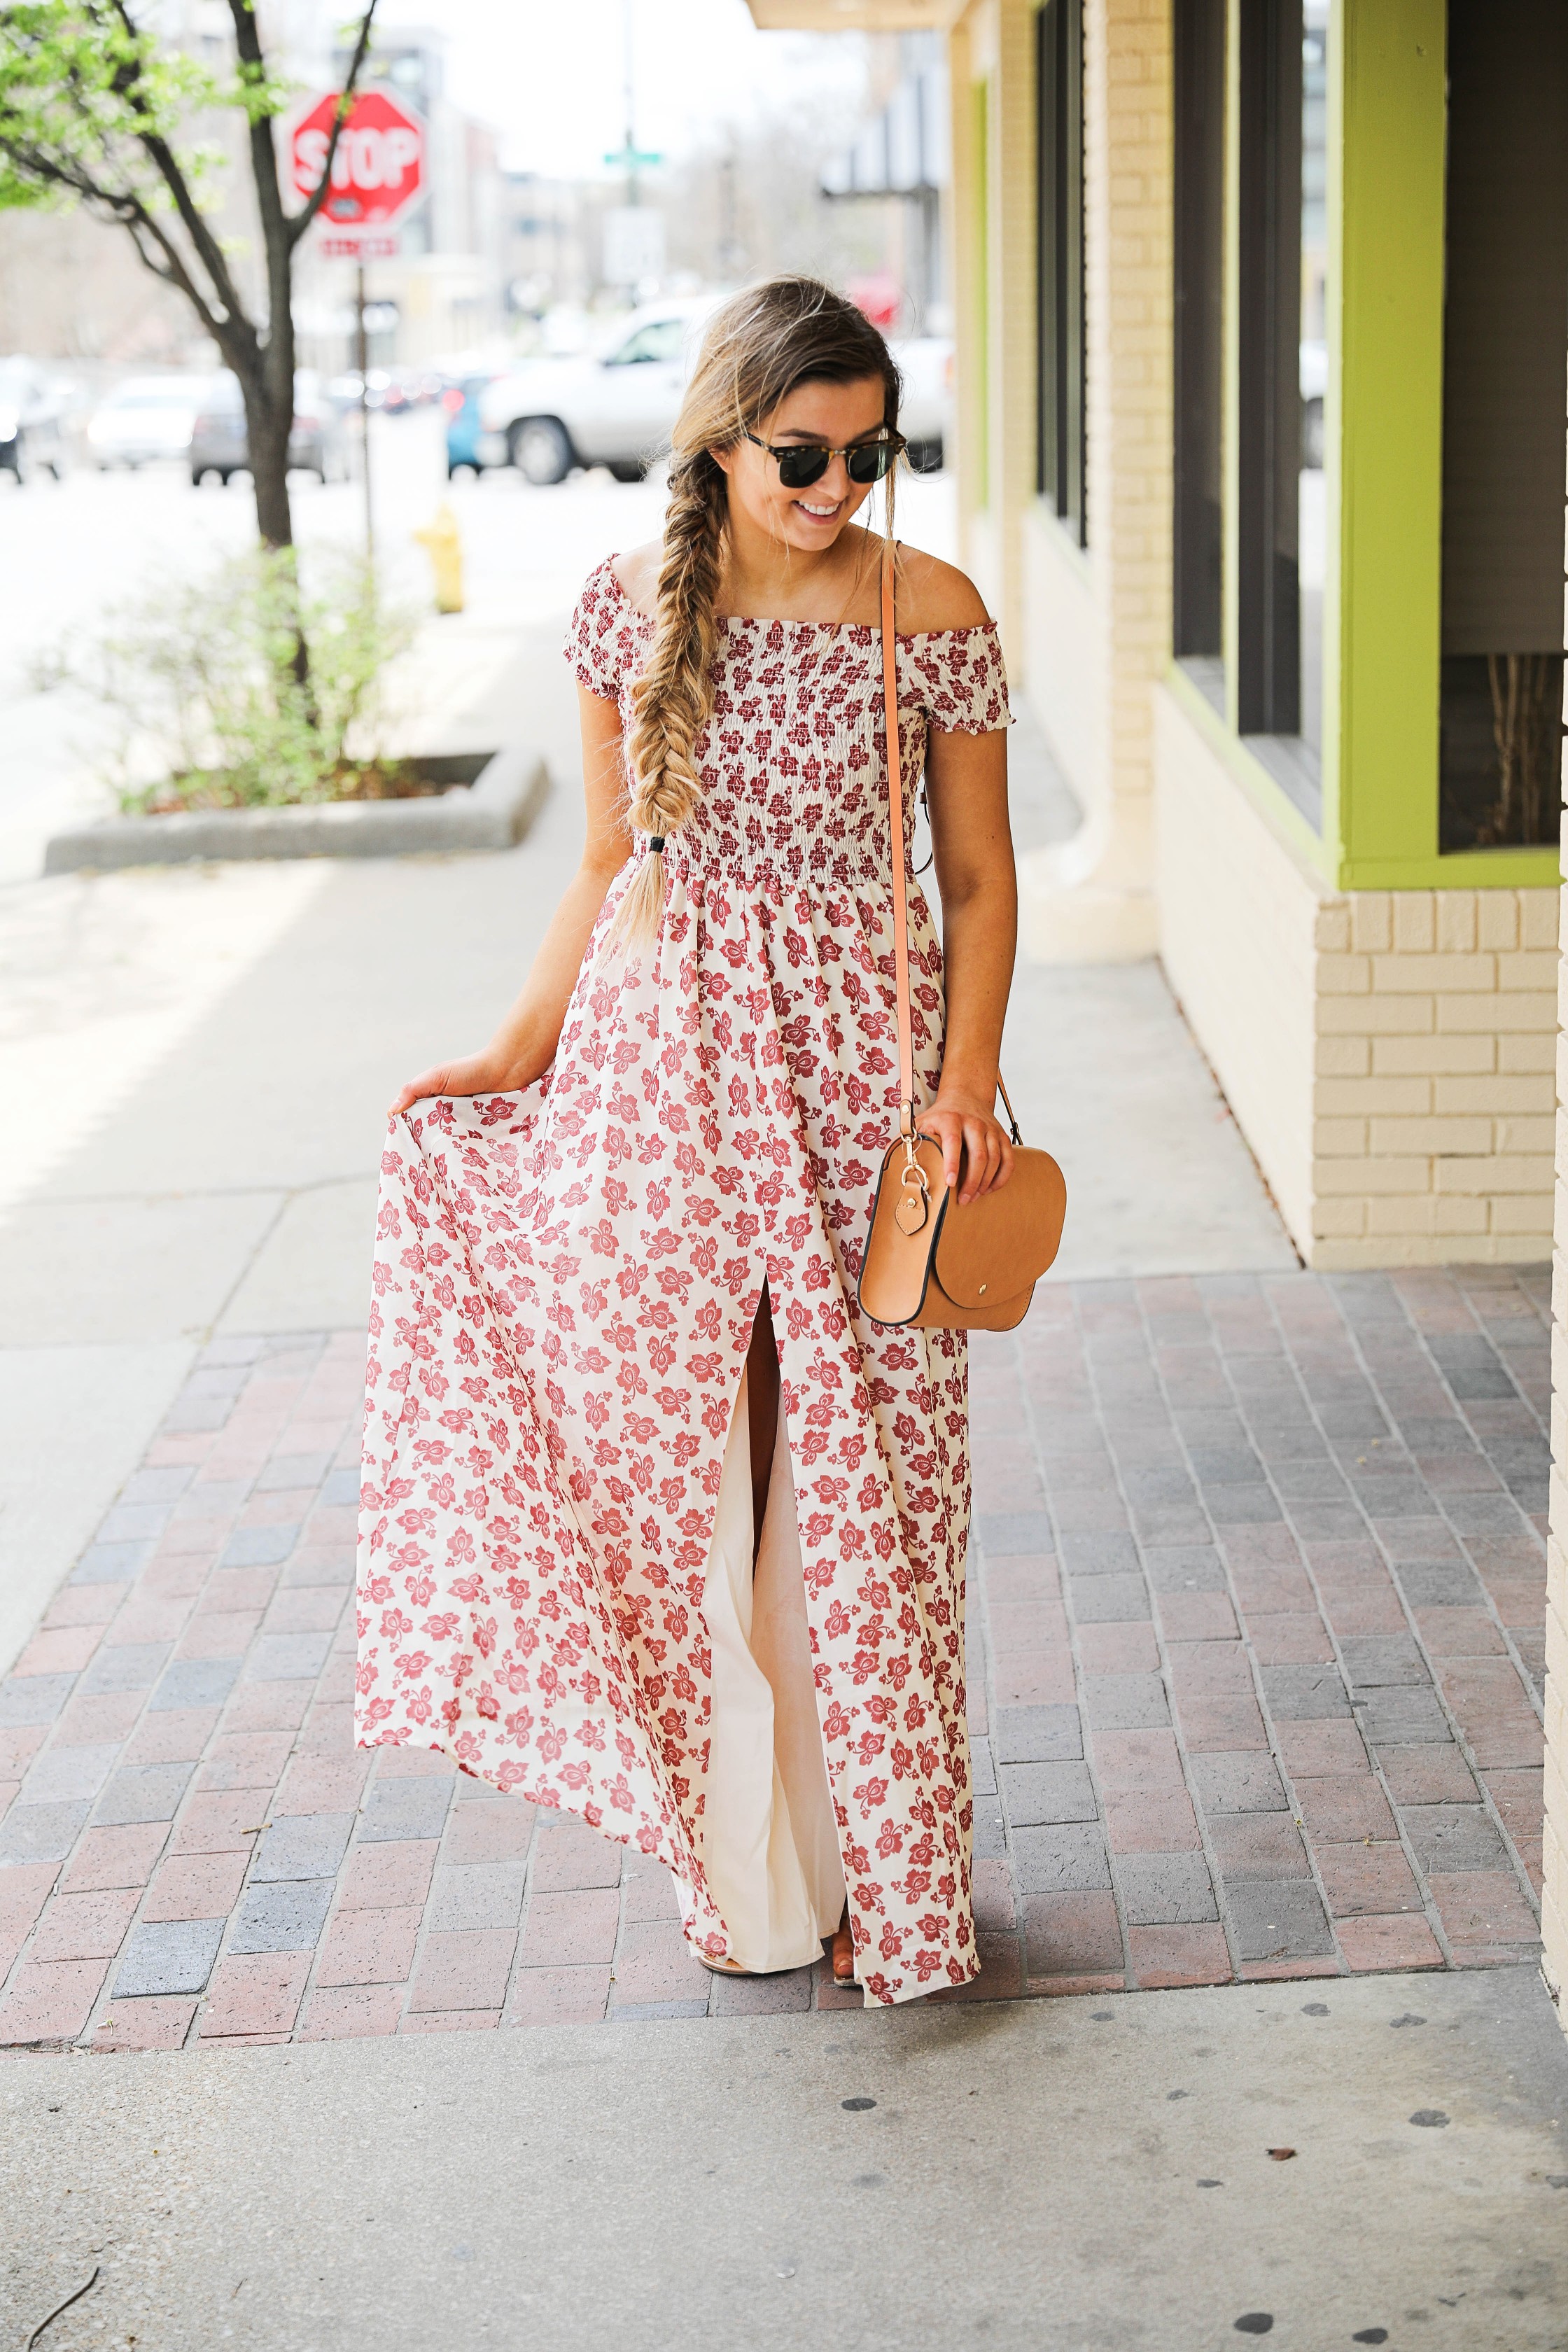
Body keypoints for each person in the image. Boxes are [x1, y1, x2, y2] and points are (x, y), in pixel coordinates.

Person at [356, 276, 1017, 2005]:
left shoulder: (927, 608)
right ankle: (756, 1873)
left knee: (869, 1482)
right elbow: (606, 865)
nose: (837, 485)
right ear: (721, 436)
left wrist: (961, 1082)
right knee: (694, 1481)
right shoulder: (625, 607)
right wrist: (513, 1051)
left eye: (872, 454)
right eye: (803, 452)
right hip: (664, 1092)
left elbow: (978, 880)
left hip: (865, 1086)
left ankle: (888, 1866)